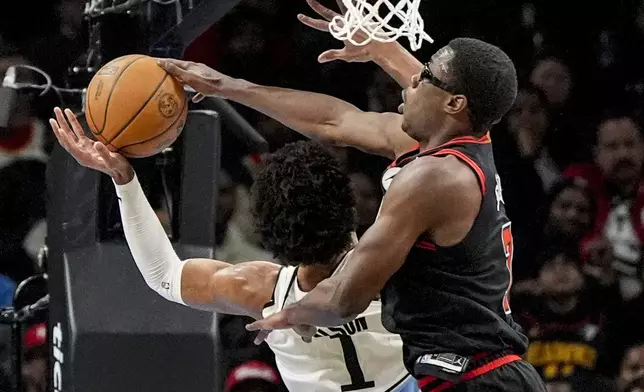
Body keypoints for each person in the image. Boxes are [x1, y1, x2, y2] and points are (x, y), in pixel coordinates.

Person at [157, 2, 547, 390]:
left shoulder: (432, 178)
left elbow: (345, 299)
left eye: (425, 75)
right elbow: (334, 121)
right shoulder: (459, 139)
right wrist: (224, 84)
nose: (410, 79)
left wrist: (289, 313)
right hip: (480, 372)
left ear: (454, 103)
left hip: (474, 378)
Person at [48, 107, 418, 392]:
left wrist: (125, 180)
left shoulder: (258, 289)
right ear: (349, 206)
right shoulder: (396, 264)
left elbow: (163, 275)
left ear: (269, 230)